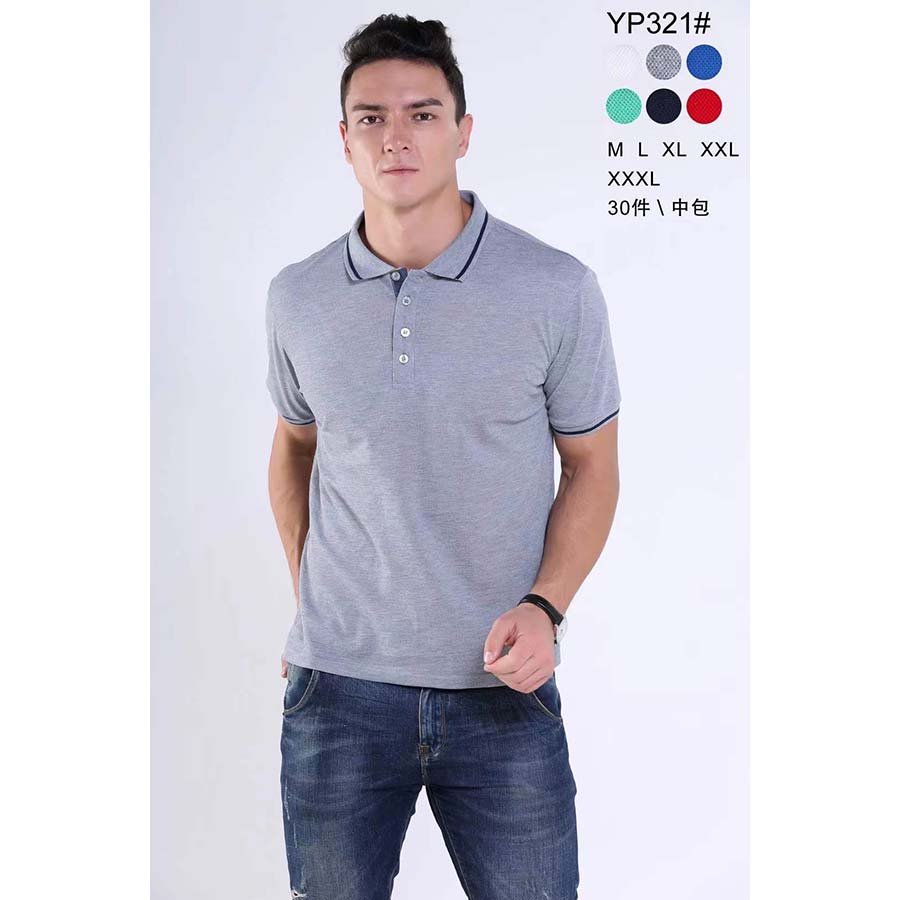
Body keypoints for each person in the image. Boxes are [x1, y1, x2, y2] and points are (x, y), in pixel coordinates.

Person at [265, 13, 621, 899]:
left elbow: (592, 466)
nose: (397, 137)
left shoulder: (555, 289)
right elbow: (295, 446)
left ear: (463, 132)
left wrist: (546, 606)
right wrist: (312, 595)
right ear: (344, 140)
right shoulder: (297, 297)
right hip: (338, 694)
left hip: (501, 687)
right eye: (372, 117)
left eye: (422, 114)